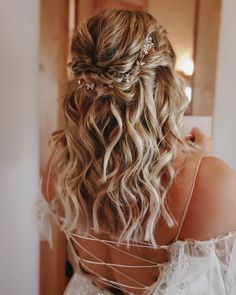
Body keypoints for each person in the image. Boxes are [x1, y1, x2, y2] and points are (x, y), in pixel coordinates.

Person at [38, 9, 236, 295]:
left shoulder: (62, 163)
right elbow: (221, 283)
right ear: (166, 83)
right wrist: (202, 164)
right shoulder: (211, 181)